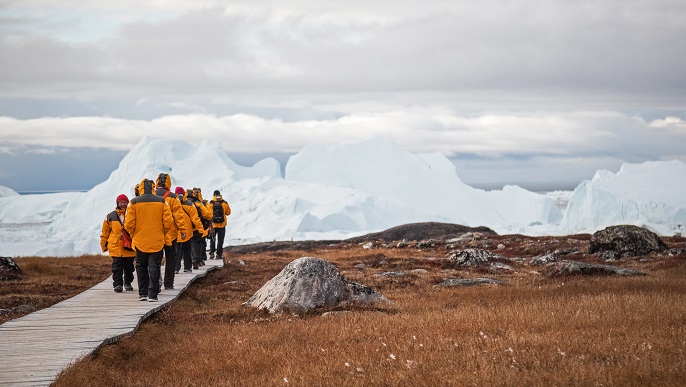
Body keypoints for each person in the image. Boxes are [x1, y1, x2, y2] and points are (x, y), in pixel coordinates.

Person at [124, 179, 173, 302]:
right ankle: (153, 295)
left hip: (140, 241)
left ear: (140, 188)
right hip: (157, 240)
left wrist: (134, 234)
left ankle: (143, 294)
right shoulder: (161, 201)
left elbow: (129, 224)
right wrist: (162, 232)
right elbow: (168, 221)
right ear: (153, 187)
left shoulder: (134, 202)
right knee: (154, 267)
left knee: (141, 266)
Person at [155, 173, 188, 290]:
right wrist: (183, 230)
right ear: (168, 182)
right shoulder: (173, 197)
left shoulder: (152, 195)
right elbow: (179, 216)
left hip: (156, 233)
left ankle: (156, 282)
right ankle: (168, 283)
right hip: (171, 234)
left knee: (155, 259)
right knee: (170, 258)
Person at [99, 194, 136, 292]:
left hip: (129, 246)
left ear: (128, 203)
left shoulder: (132, 214)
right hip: (116, 246)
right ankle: (118, 285)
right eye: (121, 202)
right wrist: (103, 245)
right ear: (117, 203)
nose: (123, 204)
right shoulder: (110, 216)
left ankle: (128, 282)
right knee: (117, 267)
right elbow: (105, 232)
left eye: (125, 202)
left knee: (129, 267)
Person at [174, 186, 204, 273]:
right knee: (187, 249)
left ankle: (176, 268)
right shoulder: (190, 204)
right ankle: (187, 267)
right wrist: (200, 229)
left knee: (177, 251)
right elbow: (195, 218)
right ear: (184, 194)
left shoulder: (172, 202)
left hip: (177, 231)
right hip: (188, 232)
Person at [209, 189, 231, 260]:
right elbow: (228, 212)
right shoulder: (224, 203)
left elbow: (208, 214)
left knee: (212, 239)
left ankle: (212, 253)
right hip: (222, 225)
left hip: (213, 225)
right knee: (220, 240)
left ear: (214, 195)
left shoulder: (211, 203)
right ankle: (219, 254)